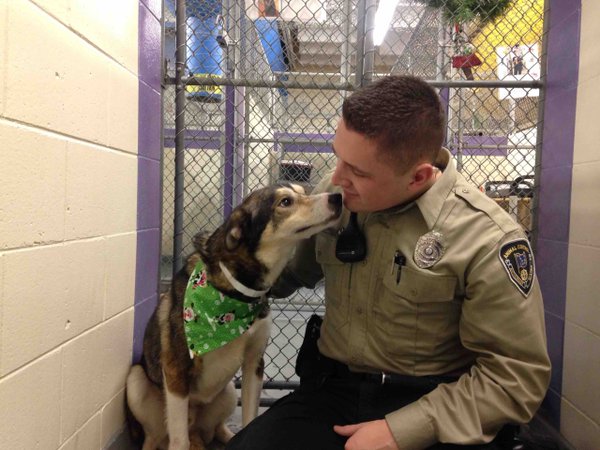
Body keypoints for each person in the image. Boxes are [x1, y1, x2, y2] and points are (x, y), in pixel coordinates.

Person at [225, 75, 551, 450]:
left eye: (359, 171)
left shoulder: (486, 238)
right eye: (339, 157)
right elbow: (282, 276)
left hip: (436, 406)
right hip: (334, 394)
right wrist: (220, 275)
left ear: (419, 177)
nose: (336, 178)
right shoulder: (337, 201)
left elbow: (516, 378)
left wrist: (403, 430)